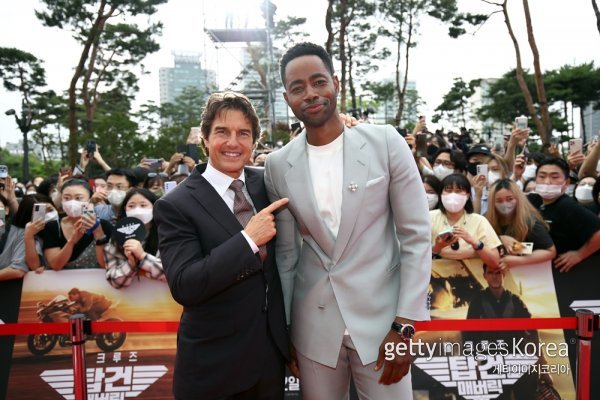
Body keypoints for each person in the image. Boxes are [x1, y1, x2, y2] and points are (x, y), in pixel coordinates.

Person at [265, 42, 432, 399]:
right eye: (298, 87)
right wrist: (289, 329)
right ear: (287, 97)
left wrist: (405, 326)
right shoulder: (277, 165)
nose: (311, 94)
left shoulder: (385, 142)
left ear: (336, 83)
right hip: (313, 327)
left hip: (384, 323)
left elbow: (416, 236)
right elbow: (287, 256)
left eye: (318, 81)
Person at [154, 91, 290, 399]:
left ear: (254, 141)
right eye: (222, 132)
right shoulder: (176, 204)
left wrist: (343, 129)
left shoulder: (265, 183)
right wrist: (248, 240)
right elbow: (185, 285)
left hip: (269, 363)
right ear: (204, 138)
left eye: (243, 133)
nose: (233, 142)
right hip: (214, 369)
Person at [464, 264, 552, 399]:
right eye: (490, 273)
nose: (495, 276)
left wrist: (544, 368)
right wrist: (474, 367)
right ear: (485, 276)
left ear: (503, 274)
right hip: (492, 366)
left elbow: (533, 333)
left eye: (498, 273)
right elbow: (469, 336)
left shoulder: (515, 301)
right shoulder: (477, 302)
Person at [431, 174, 501, 268]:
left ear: (467, 195)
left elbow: (495, 262)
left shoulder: (479, 221)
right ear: (441, 194)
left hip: (474, 275)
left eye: (458, 191)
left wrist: (474, 242)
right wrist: (437, 247)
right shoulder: (429, 217)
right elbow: (416, 256)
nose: (453, 195)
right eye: (449, 190)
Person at [39, 179, 112, 270]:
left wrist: (98, 234)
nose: (72, 202)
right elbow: (55, 265)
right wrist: (72, 241)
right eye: (67, 198)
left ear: (89, 200)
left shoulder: (104, 226)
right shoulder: (53, 227)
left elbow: (105, 265)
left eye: (78, 198)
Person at [486, 179, 556, 269]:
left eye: (510, 199)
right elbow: (480, 244)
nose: (505, 204)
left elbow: (550, 251)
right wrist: (501, 239)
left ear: (518, 199)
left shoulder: (530, 222)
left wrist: (517, 260)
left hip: (527, 272)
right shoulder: (486, 220)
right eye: (499, 201)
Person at [104, 188, 165, 288]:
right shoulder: (118, 237)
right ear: (125, 209)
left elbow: (173, 273)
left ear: (154, 207)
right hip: (131, 297)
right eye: (131, 206)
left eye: (143, 205)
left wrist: (142, 256)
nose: (137, 210)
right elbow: (114, 282)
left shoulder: (167, 234)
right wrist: (130, 264)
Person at [0, 194, 51, 281]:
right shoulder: (19, 231)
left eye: (50, 211)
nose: (49, 215)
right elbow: (19, 270)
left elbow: (19, 270)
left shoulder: (24, 232)